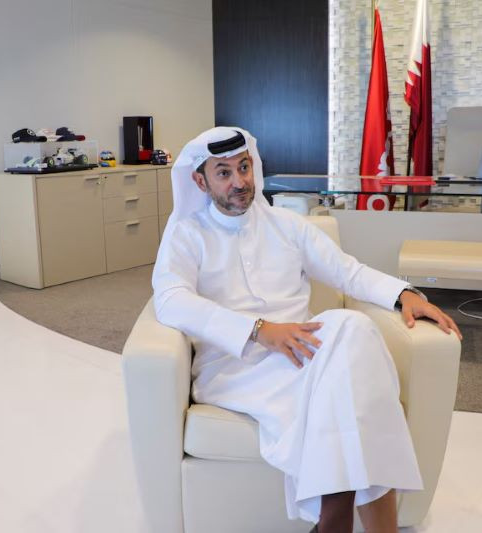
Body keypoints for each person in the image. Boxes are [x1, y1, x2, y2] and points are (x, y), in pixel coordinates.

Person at [152, 126, 462, 533]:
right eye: (224, 172)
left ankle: (334, 523)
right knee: (355, 384)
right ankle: (359, 524)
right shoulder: (186, 234)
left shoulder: (287, 225)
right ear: (200, 180)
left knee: (353, 328)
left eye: (244, 168)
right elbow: (170, 299)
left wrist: (404, 294)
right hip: (234, 367)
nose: (239, 182)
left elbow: (346, 272)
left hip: (305, 352)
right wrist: (259, 331)